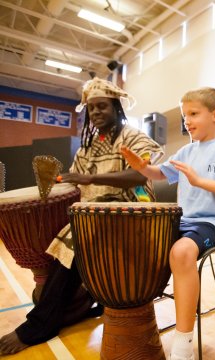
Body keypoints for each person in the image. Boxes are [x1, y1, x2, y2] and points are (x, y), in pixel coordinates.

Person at [0, 77, 163, 355]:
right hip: (95, 215)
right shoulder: (87, 147)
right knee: (66, 233)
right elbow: (77, 183)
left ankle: (39, 326)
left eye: (102, 106)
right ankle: (82, 302)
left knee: (75, 235)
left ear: (116, 108)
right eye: (91, 108)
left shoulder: (133, 137)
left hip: (134, 213)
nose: (96, 112)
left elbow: (140, 173)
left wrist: (89, 178)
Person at [121, 86, 215, 360]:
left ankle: (183, 344)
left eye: (193, 114)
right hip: (186, 221)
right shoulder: (185, 152)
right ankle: (136, 322)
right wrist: (140, 166)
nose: (187, 121)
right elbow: (158, 173)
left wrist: (199, 181)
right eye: (184, 116)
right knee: (140, 241)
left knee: (181, 252)